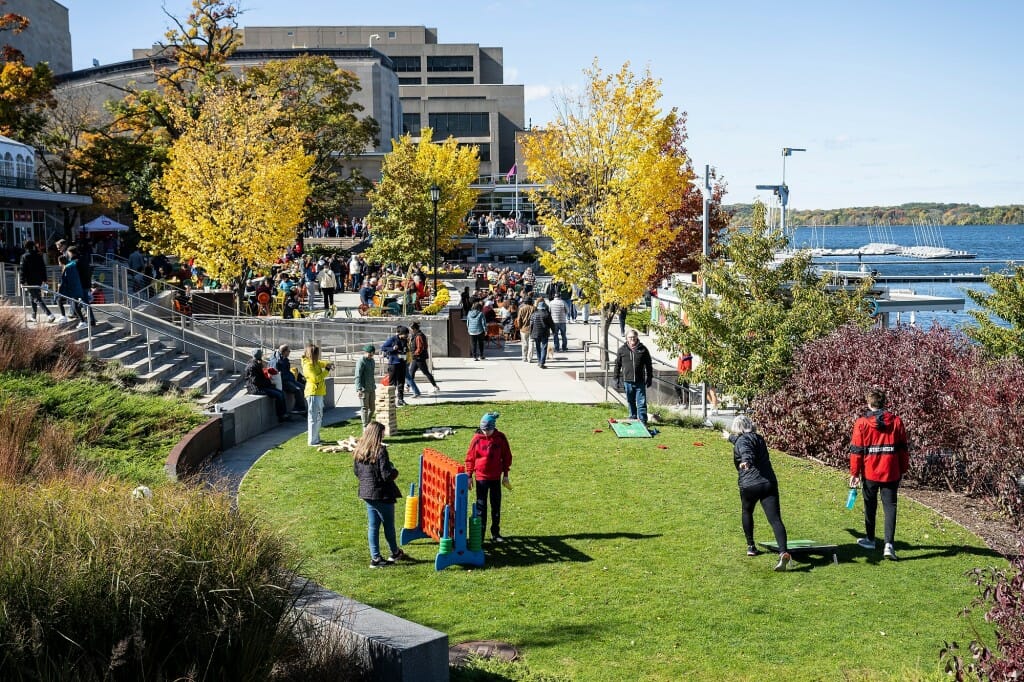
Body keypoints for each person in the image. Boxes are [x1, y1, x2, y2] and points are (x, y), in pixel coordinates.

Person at [849, 388, 909, 561]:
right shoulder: (897, 421)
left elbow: (856, 451)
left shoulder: (861, 423)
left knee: (870, 506)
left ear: (869, 403)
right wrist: (903, 468)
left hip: (870, 472)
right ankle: (889, 545)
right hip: (891, 471)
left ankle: (870, 539)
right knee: (890, 507)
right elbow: (903, 448)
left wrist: (854, 473)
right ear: (884, 402)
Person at [727, 415, 792, 571]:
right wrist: (729, 438)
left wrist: (746, 461)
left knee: (747, 511)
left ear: (737, 428)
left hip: (749, 484)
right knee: (775, 519)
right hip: (768, 483)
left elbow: (746, 450)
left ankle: (751, 546)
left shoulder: (742, 442)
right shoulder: (759, 438)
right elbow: (744, 443)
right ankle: (783, 551)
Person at [352, 421, 408, 568]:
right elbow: (386, 475)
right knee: (388, 525)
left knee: (373, 526)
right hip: (382, 494)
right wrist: (394, 471)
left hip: (366, 493)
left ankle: (375, 558)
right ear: (377, 435)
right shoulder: (380, 451)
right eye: (382, 433)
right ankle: (394, 552)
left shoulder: (359, 450)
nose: (383, 436)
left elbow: (357, 472)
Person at [465, 411, 513, 543]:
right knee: (481, 507)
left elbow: (507, 457)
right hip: (481, 478)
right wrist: (469, 476)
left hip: (495, 478)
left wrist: (506, 475)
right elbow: (470, 458)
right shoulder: (476, 440)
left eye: (488, 430)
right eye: (483, 430)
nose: (486, 432)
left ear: (493, 427)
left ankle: (495, 533)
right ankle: (480, 535)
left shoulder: (500, 438)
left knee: (495, 505)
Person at [614, 330, 654, 423]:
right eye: (630, 337)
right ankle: (633, 417)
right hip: (627, 381)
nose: (632, 339)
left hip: (640, 381)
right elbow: (617, 365)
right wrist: (616, 378)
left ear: (637, 337)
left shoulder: (643, 349)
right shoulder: (622, 350)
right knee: (630, 401)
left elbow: (648, 364)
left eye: (634, 337)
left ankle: (643, 420)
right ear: (627, 338)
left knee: (641, 402)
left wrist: (649, 377)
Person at [301, 343, 333, 446]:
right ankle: (312, 441)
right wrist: (327, 371)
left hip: (318, 393)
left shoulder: (315, 363)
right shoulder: (308, 365)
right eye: (316, 354)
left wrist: (329, 364)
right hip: (313, 393)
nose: (318, 356)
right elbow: (316, 379)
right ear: (312, 354)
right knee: (313, 418)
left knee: (319, 417)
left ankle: (316, 438)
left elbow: (322, 363)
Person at [244, 349, 287, 422]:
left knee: (281, 392)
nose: (262, 355)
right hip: (256, 389)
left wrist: (268, 382)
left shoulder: (256, 363)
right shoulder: (252, 366)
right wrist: (269, 382)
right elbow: (256, 381)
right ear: (258, 355)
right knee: (278, 395)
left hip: (261, 386)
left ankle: (284, 414)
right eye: (261, 354)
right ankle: (281, 416)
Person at [19, 240, 55, 323]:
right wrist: (44, 279)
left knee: (36, 298)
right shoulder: (39, 256)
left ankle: (50, 315)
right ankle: (33, 316)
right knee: (32, 297)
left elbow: (22, 270)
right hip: (38, 280)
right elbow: (43, 268)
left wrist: (22, 281)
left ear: (25, 247)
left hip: (30, 281)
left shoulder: (24, 256)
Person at [271, 344, 307, 415]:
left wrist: (292, 377)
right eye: (289, 351)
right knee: (297, 389)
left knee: (303, 387)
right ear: (284, 352)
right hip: (283, 382)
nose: (290, 352)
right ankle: (300, 408)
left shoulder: (285, 360)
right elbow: (276, 375)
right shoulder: (276, 361)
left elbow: (287, 372)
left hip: (289, 380)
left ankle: (299, 407)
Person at [380, 325, 411, 406]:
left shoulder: (405, 340)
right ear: (401, 333)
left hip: (402, 363)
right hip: (393, 364)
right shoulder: (392, 339)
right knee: (392, 383)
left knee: (401, 382)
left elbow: (405, 350)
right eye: (406, 334)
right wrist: (392, 348)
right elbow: (383, 347)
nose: (407, 336)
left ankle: (401, 399)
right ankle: (391, 401)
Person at [408, 321, 440, 395]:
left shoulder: (419, 336)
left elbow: (420, 348)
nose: (410, 331)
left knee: (425, 372)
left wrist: (415, 354)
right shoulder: (416, 335)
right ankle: (408, 386)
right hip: (416, 358)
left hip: (419, 358)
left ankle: (435, 386)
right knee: (411, 372)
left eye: (411, 329)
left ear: (414, 329)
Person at [354, 344, 376, 428]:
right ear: (366, 352)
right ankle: (365, 426)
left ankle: (368, 423)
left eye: (372, 354)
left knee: (372, 409)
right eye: (369, 354)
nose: (370, 356)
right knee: (364, 408)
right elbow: (357, 375)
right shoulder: (361, 361)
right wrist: (359, 389)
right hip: (363, 389)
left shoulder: (372, 361)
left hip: (371, 388)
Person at [529, 298, 554, 368]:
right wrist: (554, 331)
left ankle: (539, 361)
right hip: (544, 333)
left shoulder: (534, 314)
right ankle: (542, 362)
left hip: (536, 333)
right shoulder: (547, 314)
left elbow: (531, 325)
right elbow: (551, 324)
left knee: (538, 347)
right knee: (544, 347)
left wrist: (531, 333)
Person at [515, 296, 536, 363]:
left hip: (523, 329)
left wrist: (520, 327)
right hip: (532, 328)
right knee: (531, 343)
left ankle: (524, 357)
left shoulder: (522, 309)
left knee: (524, 343)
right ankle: (530, 358)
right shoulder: (534, 308)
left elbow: (519, 319)